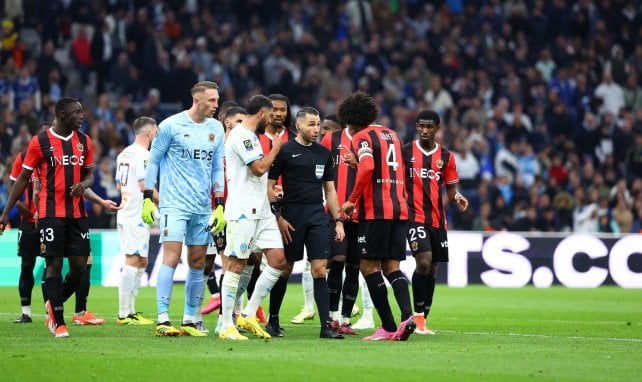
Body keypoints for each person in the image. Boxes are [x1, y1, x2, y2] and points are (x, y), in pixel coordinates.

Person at [0, 98, 95, 338]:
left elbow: (90, 175)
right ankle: (58, 322)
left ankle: (53, 304)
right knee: (53, 265)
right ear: (62, 114)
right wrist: (4, 212)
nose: (82, 117)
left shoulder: (85, 141)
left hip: (77, 214)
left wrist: (83, 185)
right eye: (77, 113)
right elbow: (22, 179)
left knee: (79, 268)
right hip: (50, 214)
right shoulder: (39, 142)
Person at [141, 81, 226, 337]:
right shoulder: (170, 126)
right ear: (197, 100)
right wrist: (147, 196)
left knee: (198, 261)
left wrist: (219, 205)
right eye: (212, 100)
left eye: (217, 99)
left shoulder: (216, 128)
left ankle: (190, 319)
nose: (216, 104)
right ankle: (163, 318)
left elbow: (216, 168)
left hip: (202, 207)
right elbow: (153, 161)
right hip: (174, 205)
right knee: (171, 256)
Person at [338, 91, 415, 341]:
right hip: (399, 209)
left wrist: (352, 199)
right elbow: (387, 166)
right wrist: (355, 164)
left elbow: (369, 167)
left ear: (350, 119)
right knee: (393, 267)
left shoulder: (362, 136)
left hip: (376, 211)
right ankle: (407, 317)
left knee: (368, 265)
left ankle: (389, 326)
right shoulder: (392, 134)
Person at [267, 107, 345, 339]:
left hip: (317, 217)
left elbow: (330, 191)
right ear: (298, 125)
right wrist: (278, 216)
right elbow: (269, 186)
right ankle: (273, 320)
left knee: (319, 269)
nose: (316, 128)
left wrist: (338, 220)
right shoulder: (285, 151)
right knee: (285, 268)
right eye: (311, 124)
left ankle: (325, 327)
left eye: (318, 124)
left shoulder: (324, 153)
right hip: (291, 216)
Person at [218, 94, 286, 340]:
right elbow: (258, 169)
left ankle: (246, 315)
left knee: (278, 260)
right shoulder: (241, 136)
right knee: (236, 264)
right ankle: (226, 324)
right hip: (243, 210)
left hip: (262, 211)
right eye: (269, 115)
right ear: (261, 114)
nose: (271, 119)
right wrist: (275, 150)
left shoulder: (253, 137)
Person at [403, 110, 469, 335]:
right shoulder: (405, 152)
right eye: (421, 125)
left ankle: (423, 320)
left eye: (429, 126)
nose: (424, 130)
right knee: (423, 262)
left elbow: (450, 190)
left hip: (437, 219)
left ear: (437, 128)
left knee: (432, 270)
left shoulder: (446, 156)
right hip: (413, 217)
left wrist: (457, 197)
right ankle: (417, 317)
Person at [115, 116, 159, 325]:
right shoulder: (143, 155)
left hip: (127, 211)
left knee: (142, 260)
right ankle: (124, 314)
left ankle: (131, 311)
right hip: (135, 215)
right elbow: (145, 186)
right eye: (156, 129)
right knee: (133, 260)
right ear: (149, 132)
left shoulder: (124, 153)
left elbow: (118, 187)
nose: (157, 132)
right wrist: (166, 202)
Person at [319, 114, 360, 335]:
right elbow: (322, 173)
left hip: (362, 214)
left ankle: (345, 319)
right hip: (334, 212)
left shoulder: (368, 141)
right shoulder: (330, 140)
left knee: (354, 266)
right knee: (337, 261)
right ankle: (332, 317)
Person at [200, 101, 239, 317]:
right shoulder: (214, 147)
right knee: (204, 262)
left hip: (233, 212)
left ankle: (231, 311)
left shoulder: (241, 149)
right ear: (227, 122)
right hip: (210, 211)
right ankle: (196, 312)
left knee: (231, 263)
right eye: (239, 122)